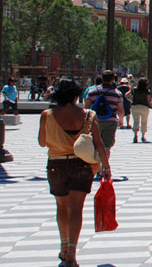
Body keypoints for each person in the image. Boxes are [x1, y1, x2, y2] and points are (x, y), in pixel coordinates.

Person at [39, 79, 111, 267]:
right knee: (76, 209)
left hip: (56, 165)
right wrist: (106, 166)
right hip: (81, 166)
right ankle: (72, 251)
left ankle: (63, 246)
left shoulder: (46, 115)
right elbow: (99, 144)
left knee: (61, 207)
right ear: (76, 95)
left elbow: (42, 141)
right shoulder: (88, 115)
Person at [84, 71, 124, 150]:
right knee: (107, 146)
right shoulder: (117, 93)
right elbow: (120, 109)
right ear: (113, 79)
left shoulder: (92, 91)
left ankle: (97, 161)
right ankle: (104, 161)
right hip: (111, 121)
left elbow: (86, 107)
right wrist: (121, 120)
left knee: (94, 144)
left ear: (102, 79)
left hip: (95, 120)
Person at [130, 78, 152, 143]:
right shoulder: (147, 91)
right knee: (144, 122)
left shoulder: (134, 89)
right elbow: (149, 101)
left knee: (136, 121)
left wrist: (130, 100)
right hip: (144, 107)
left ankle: (135, 135)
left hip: (135, 106)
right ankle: (143, 136)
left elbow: (126, 95)